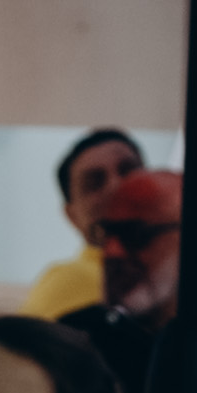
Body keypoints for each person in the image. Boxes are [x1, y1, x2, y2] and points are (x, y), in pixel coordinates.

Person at [17, 126, 150, 322]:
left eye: (129, 171)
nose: (116, 187)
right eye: (94, 183)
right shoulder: (67, 283)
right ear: (72, 215)